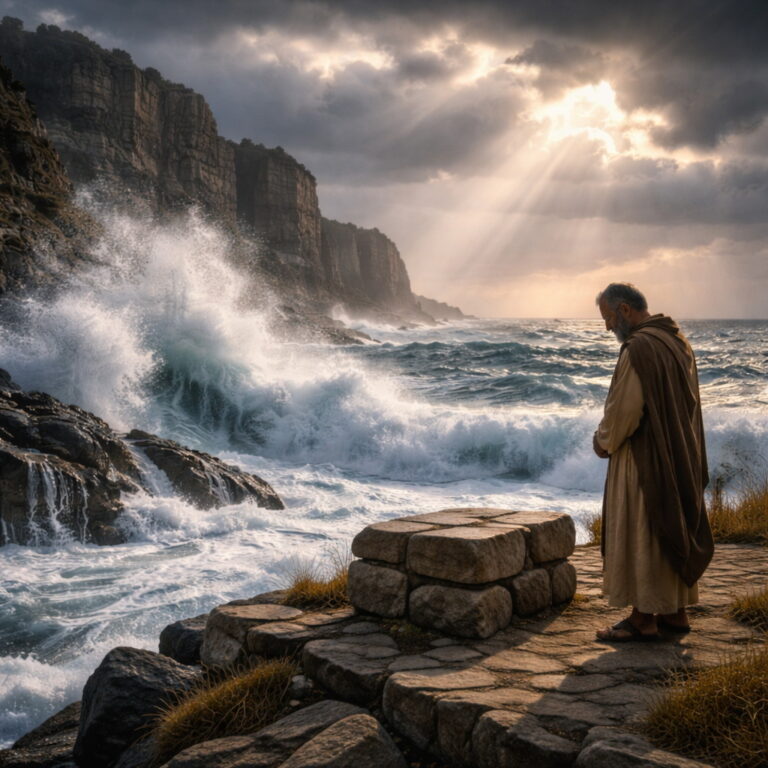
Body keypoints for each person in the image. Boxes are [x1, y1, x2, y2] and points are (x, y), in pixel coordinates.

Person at [592, 283, 714, 641]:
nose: (608, 327)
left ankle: (643, 618)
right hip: (678, 451)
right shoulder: (676, 340)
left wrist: (603, 441)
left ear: (626, 310)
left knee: (645, 530)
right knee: (668, 528)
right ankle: (674, 613)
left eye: (609, 318)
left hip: (644, 458)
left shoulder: (639, 348)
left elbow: (624, 411)